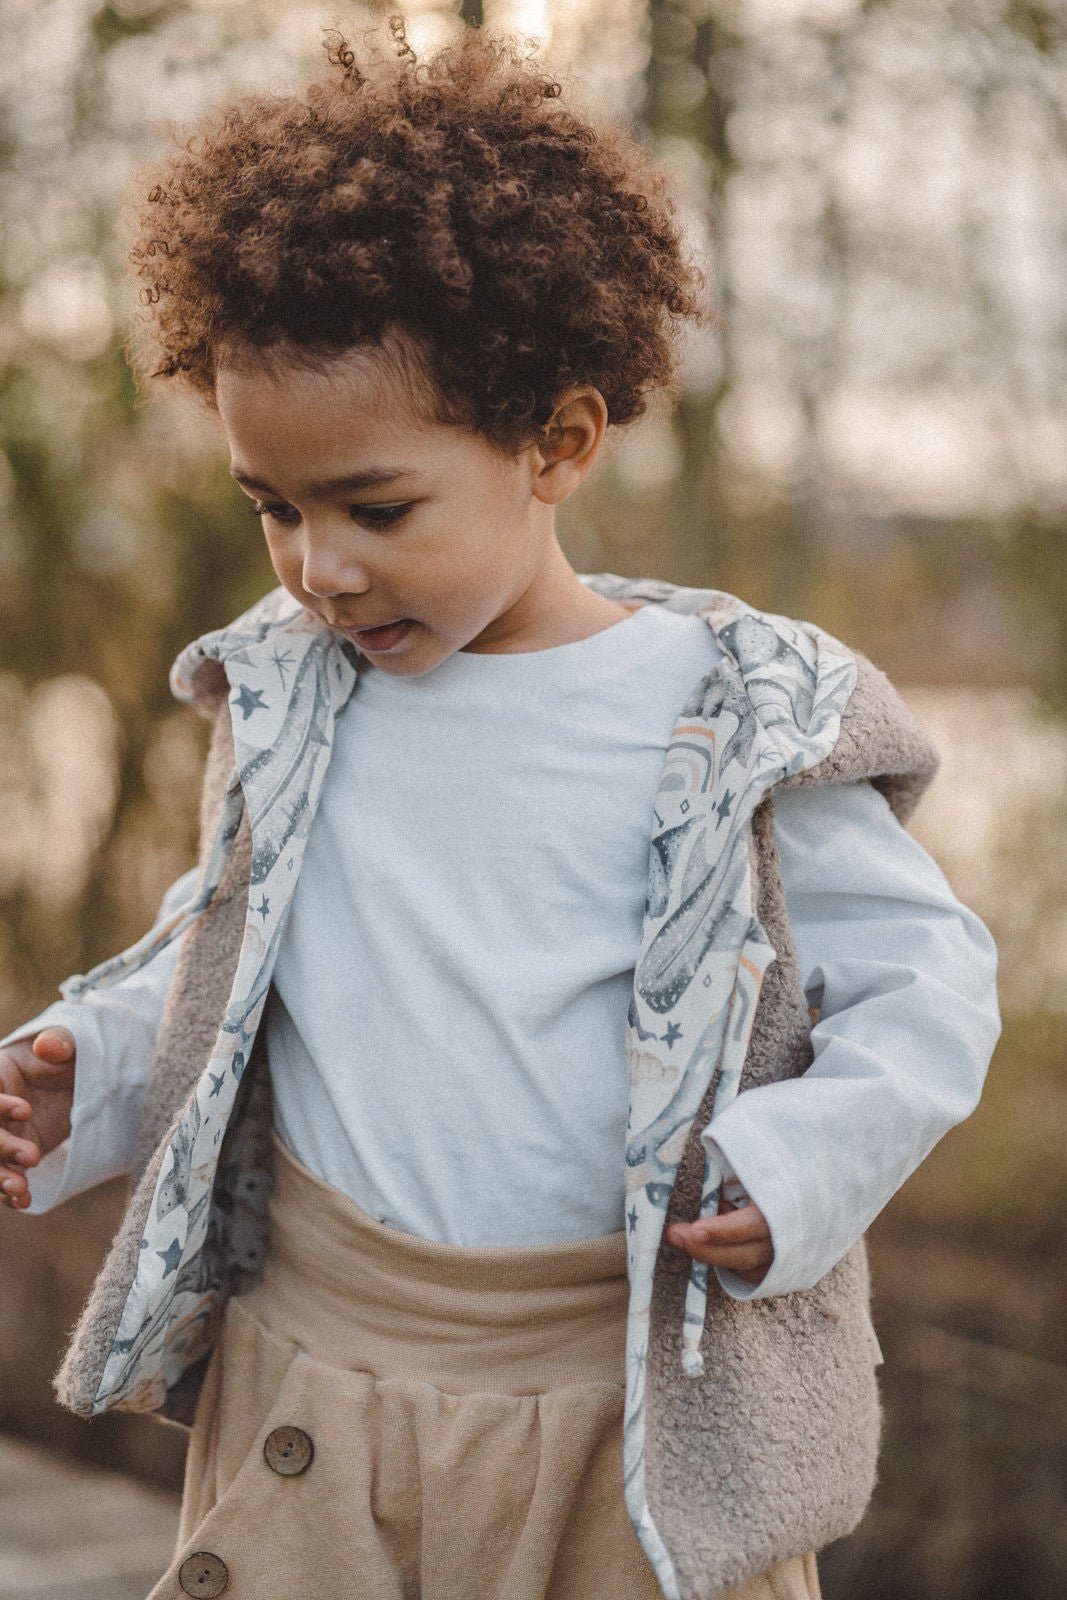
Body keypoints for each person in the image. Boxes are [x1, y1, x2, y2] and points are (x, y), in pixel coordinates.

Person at [0, 21, 999, 1600]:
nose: (320, 567)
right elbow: (234, 957)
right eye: (275, 507)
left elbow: (929, 990)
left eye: (376, 508)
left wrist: (794, 1165)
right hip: (316, 1380)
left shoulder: (735, 723)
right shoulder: (292, 697)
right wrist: (94, 1072)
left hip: (621, 1398)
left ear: (559, 442)